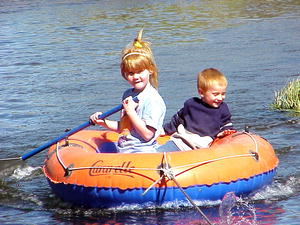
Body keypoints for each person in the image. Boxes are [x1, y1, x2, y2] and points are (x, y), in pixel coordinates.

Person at [90, 29, 166, 153]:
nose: (135, 77)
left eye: (140, 71)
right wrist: (103, 122)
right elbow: (124, 128)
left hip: (142, 151)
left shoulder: (153, 100)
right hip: (124, 148)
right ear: (125, 74)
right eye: (131, 73)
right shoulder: (128, 94)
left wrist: (131, 111)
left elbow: (147, 135)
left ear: (150, 70)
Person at [158, 68, 236, 152]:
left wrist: (224, 133)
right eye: (215, 94)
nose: (220, 98)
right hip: (181, 141)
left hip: (202, 146)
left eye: (223, 94)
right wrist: (164, 131)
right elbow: (177, 120)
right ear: (201, 92)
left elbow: (226, 125)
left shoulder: (223, 109)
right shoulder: (191, 104)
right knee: (158, 153)